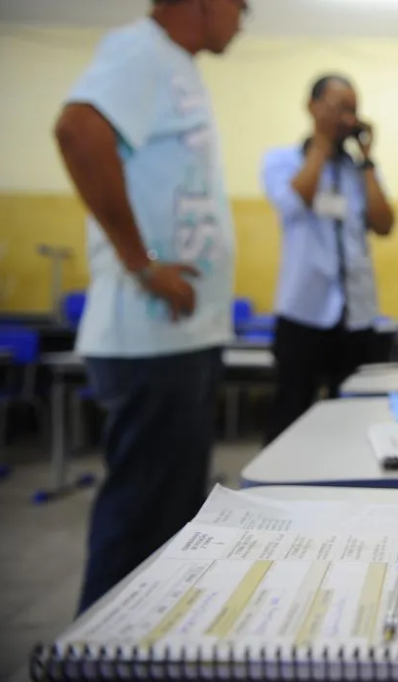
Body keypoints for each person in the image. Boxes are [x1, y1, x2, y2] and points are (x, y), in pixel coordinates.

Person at [54, 0, 246, 613]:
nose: (243, 18)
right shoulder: (142, 49)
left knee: (170, 523)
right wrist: (141, 263)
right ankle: (100, 655)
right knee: (141, 519)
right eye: (241, 5)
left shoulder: (177, 65)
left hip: (181, 337)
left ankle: (148, 644)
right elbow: (78, 130)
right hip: (150, 337)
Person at [262, 74, 396, 445]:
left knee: (355, 418)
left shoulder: (359, 171)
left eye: (352, 110)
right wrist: (320, 144)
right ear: (312, 106)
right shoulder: (281, 160)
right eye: (338, 107)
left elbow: (384, 224)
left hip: (357, 313)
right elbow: (293, 201)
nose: (347, 119)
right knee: (290, 413)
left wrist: (367, 161)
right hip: (303, 310)